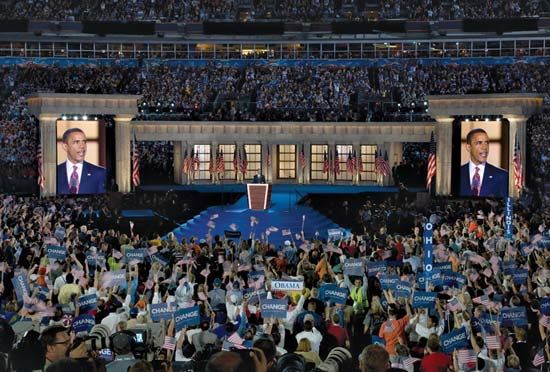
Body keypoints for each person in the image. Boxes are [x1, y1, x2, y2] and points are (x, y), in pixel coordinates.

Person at [460, 128, 508, 197]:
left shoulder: (502, 176)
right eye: (479, 143)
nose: (485, 147)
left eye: (487, 143)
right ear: (468, 147)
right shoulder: (457, 173)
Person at [57, 128, 106, 195]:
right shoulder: (55, 172)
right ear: (65, 146)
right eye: (76, 142)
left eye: (84, 142)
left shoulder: (100, 173)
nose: (82, 146)